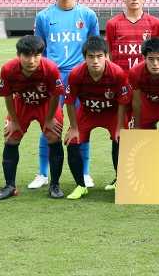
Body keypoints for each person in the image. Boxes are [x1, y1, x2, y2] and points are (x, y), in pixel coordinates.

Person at [33, 0, 99, 189]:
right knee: (49, 124)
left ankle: (85, 173)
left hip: (80, 77)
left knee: (81, 125)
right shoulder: (43, 16)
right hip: (52, 77)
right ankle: (42, 174)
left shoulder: (88, 15)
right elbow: (38, 50)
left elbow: (95, 48)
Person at [0, 36, 66, 200]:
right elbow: (8, 96)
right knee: (11, 137)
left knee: (53, 136)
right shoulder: (8, 69)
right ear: (18, 54)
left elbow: (55, 96)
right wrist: (13, 120)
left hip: (46, 104)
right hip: (22, 103)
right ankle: (10, 186)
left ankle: (54, 184)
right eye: (27, 55)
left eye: (36, 55)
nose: (31, 60)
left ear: (41, 54)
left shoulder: (50, 68)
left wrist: (49, 119)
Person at [61, 36, 131, 199]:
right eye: (91, 56)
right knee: (72, 142)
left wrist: (120, 127)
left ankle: (119, 180)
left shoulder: (117, 72)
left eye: (99, 56)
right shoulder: (76, 74)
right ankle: (80, 185)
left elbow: (122, 101)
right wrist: (74, 128)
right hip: (87, 112)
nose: (95, 60)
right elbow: (70, 102)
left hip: (112, 112)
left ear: (106, 56)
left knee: (121, 139)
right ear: (84, 57)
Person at [105, 0, 159, 71]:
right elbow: (111, 54)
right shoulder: (112, 24)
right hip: (121, 78)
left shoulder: (155, 23)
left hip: (146, 78)